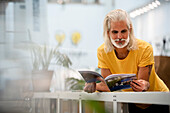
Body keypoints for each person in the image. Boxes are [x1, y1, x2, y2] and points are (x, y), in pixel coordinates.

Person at [84, 9, 169, 113]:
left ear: (130, 30)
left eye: (123, 31)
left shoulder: (144, 48)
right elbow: (110, 85)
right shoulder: (103, 52)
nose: (119, 37)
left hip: (157, 99)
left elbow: (141, 87)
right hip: (131, 100)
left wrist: (145, 84)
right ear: (108, 33)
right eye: (115, 32)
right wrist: (93, 85)